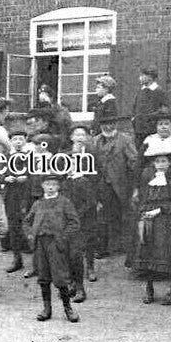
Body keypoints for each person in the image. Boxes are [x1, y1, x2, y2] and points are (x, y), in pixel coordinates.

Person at [132, 138, 171, 305]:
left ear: (169, 162)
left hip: (166, 222)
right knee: (148, 253)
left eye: (164, 161)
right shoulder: (150, 177)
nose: (161, 164)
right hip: (150, 222)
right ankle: (149, 290)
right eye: (157, 161)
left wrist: (159, 210)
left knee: (169, 255)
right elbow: (144, 198)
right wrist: (144, 213)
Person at [24, 174, 81, 323]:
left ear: (58, 187)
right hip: (40, 244)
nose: (50, 187)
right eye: (47, 184)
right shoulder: (38, 204)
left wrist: (63, 236)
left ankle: (68, 308)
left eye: (54, 184)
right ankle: (46, 309)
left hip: (56, 243)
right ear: (42, 186)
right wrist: (31, 235)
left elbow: (74, 222)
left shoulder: (64, 202)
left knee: (60, 277)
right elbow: (27, 222)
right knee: (43, 277)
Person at [90, 105, 139, 263]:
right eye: (105, 123)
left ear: (116, 124)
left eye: (111, 123)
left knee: (124, 215)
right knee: (102, 216)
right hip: (102, 184)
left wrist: (134, 183)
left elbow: (133, 161)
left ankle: (124, 246)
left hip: (120, 183)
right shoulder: (95, 141)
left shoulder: (124, 140)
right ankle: (102, 247)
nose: (108, 126)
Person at [63, 125, 99, 299]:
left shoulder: (84, 176)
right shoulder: (65, 183)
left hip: (83, 216)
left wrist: (77, 215)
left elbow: (90, 199)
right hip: (69, 220)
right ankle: (71, 282)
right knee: (68, 252)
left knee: (80, 250)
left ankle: (80, 286)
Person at [2, 128, 33, 274]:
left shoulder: (31, 156)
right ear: (11, 142)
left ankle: (36, 263)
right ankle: (17, 259)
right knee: (13, 227)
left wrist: (27, 177)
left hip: (27, 195)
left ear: (25, 140)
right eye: (15, 139)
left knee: (29, 226)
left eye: (21, 139)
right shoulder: (6, 156)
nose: (18, 142)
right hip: (11, 195)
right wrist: (5, 178)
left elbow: (37, 174)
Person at [131, 67, 171, 145]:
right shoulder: (141, 91)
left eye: (142, 76)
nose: (139, 78)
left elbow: (169, 109)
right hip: (139, 129)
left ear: (150, 77)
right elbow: (135, 107)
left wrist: (152, 117)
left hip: (152, 130)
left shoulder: (159, 91)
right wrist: (134, 119)